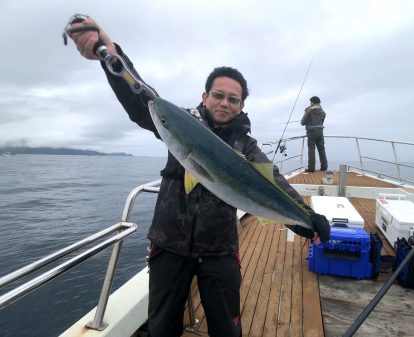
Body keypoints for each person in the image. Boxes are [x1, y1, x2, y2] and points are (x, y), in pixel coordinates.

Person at [68, 16, 330, 337]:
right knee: (162, 329)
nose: (224, 103)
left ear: (241, 105)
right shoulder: (179, 125)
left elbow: (271, 184)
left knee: (227, 330)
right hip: (169, 245)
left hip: (219, 249)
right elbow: (143, 100)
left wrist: (308, 220)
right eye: (218, 95)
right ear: (204, 97)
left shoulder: (245, 146)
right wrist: (111, 52)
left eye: (233, 99)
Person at [301, 96, 328, 172]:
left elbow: (302, 123)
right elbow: (322, 122)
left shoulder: (309, 110)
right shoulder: (323, 112)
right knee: (321, 149)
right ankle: (324, 167)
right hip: (320, 132)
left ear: (312, 102)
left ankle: (311, 168)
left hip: (311, 132)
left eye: (310, 102)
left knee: (311, 149)